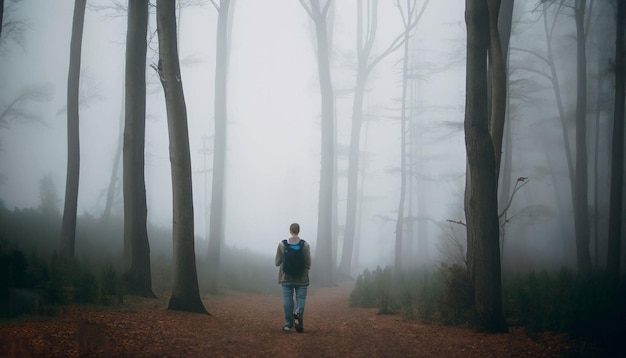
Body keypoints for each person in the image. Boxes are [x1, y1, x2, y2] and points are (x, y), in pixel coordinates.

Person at [275, 223, 311, 333]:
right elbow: (308, 264)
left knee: (287, 301)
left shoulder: (282, 244)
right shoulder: (305, 245)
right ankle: (298, 316)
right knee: (301, 299)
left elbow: (277, 262)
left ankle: (288, 324)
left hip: (286, 278)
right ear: (299, 231)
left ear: (290, 231)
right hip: (302, 279)